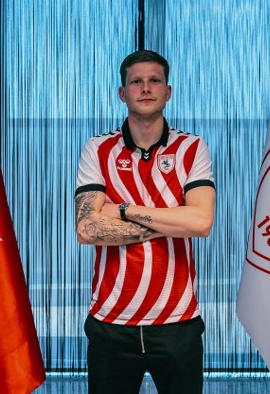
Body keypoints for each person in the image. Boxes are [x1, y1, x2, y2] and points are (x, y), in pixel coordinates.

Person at [74, 50, 216, 394]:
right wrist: (173, 220)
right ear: (122, 93)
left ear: (168, 91)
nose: (146, 88)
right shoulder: (98, 148)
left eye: (155, 80)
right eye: (136, 81)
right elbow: (87, 229)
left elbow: (201, 222)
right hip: (111, 321)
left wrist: (124, 209)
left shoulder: (192, 148)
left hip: (178, 321)